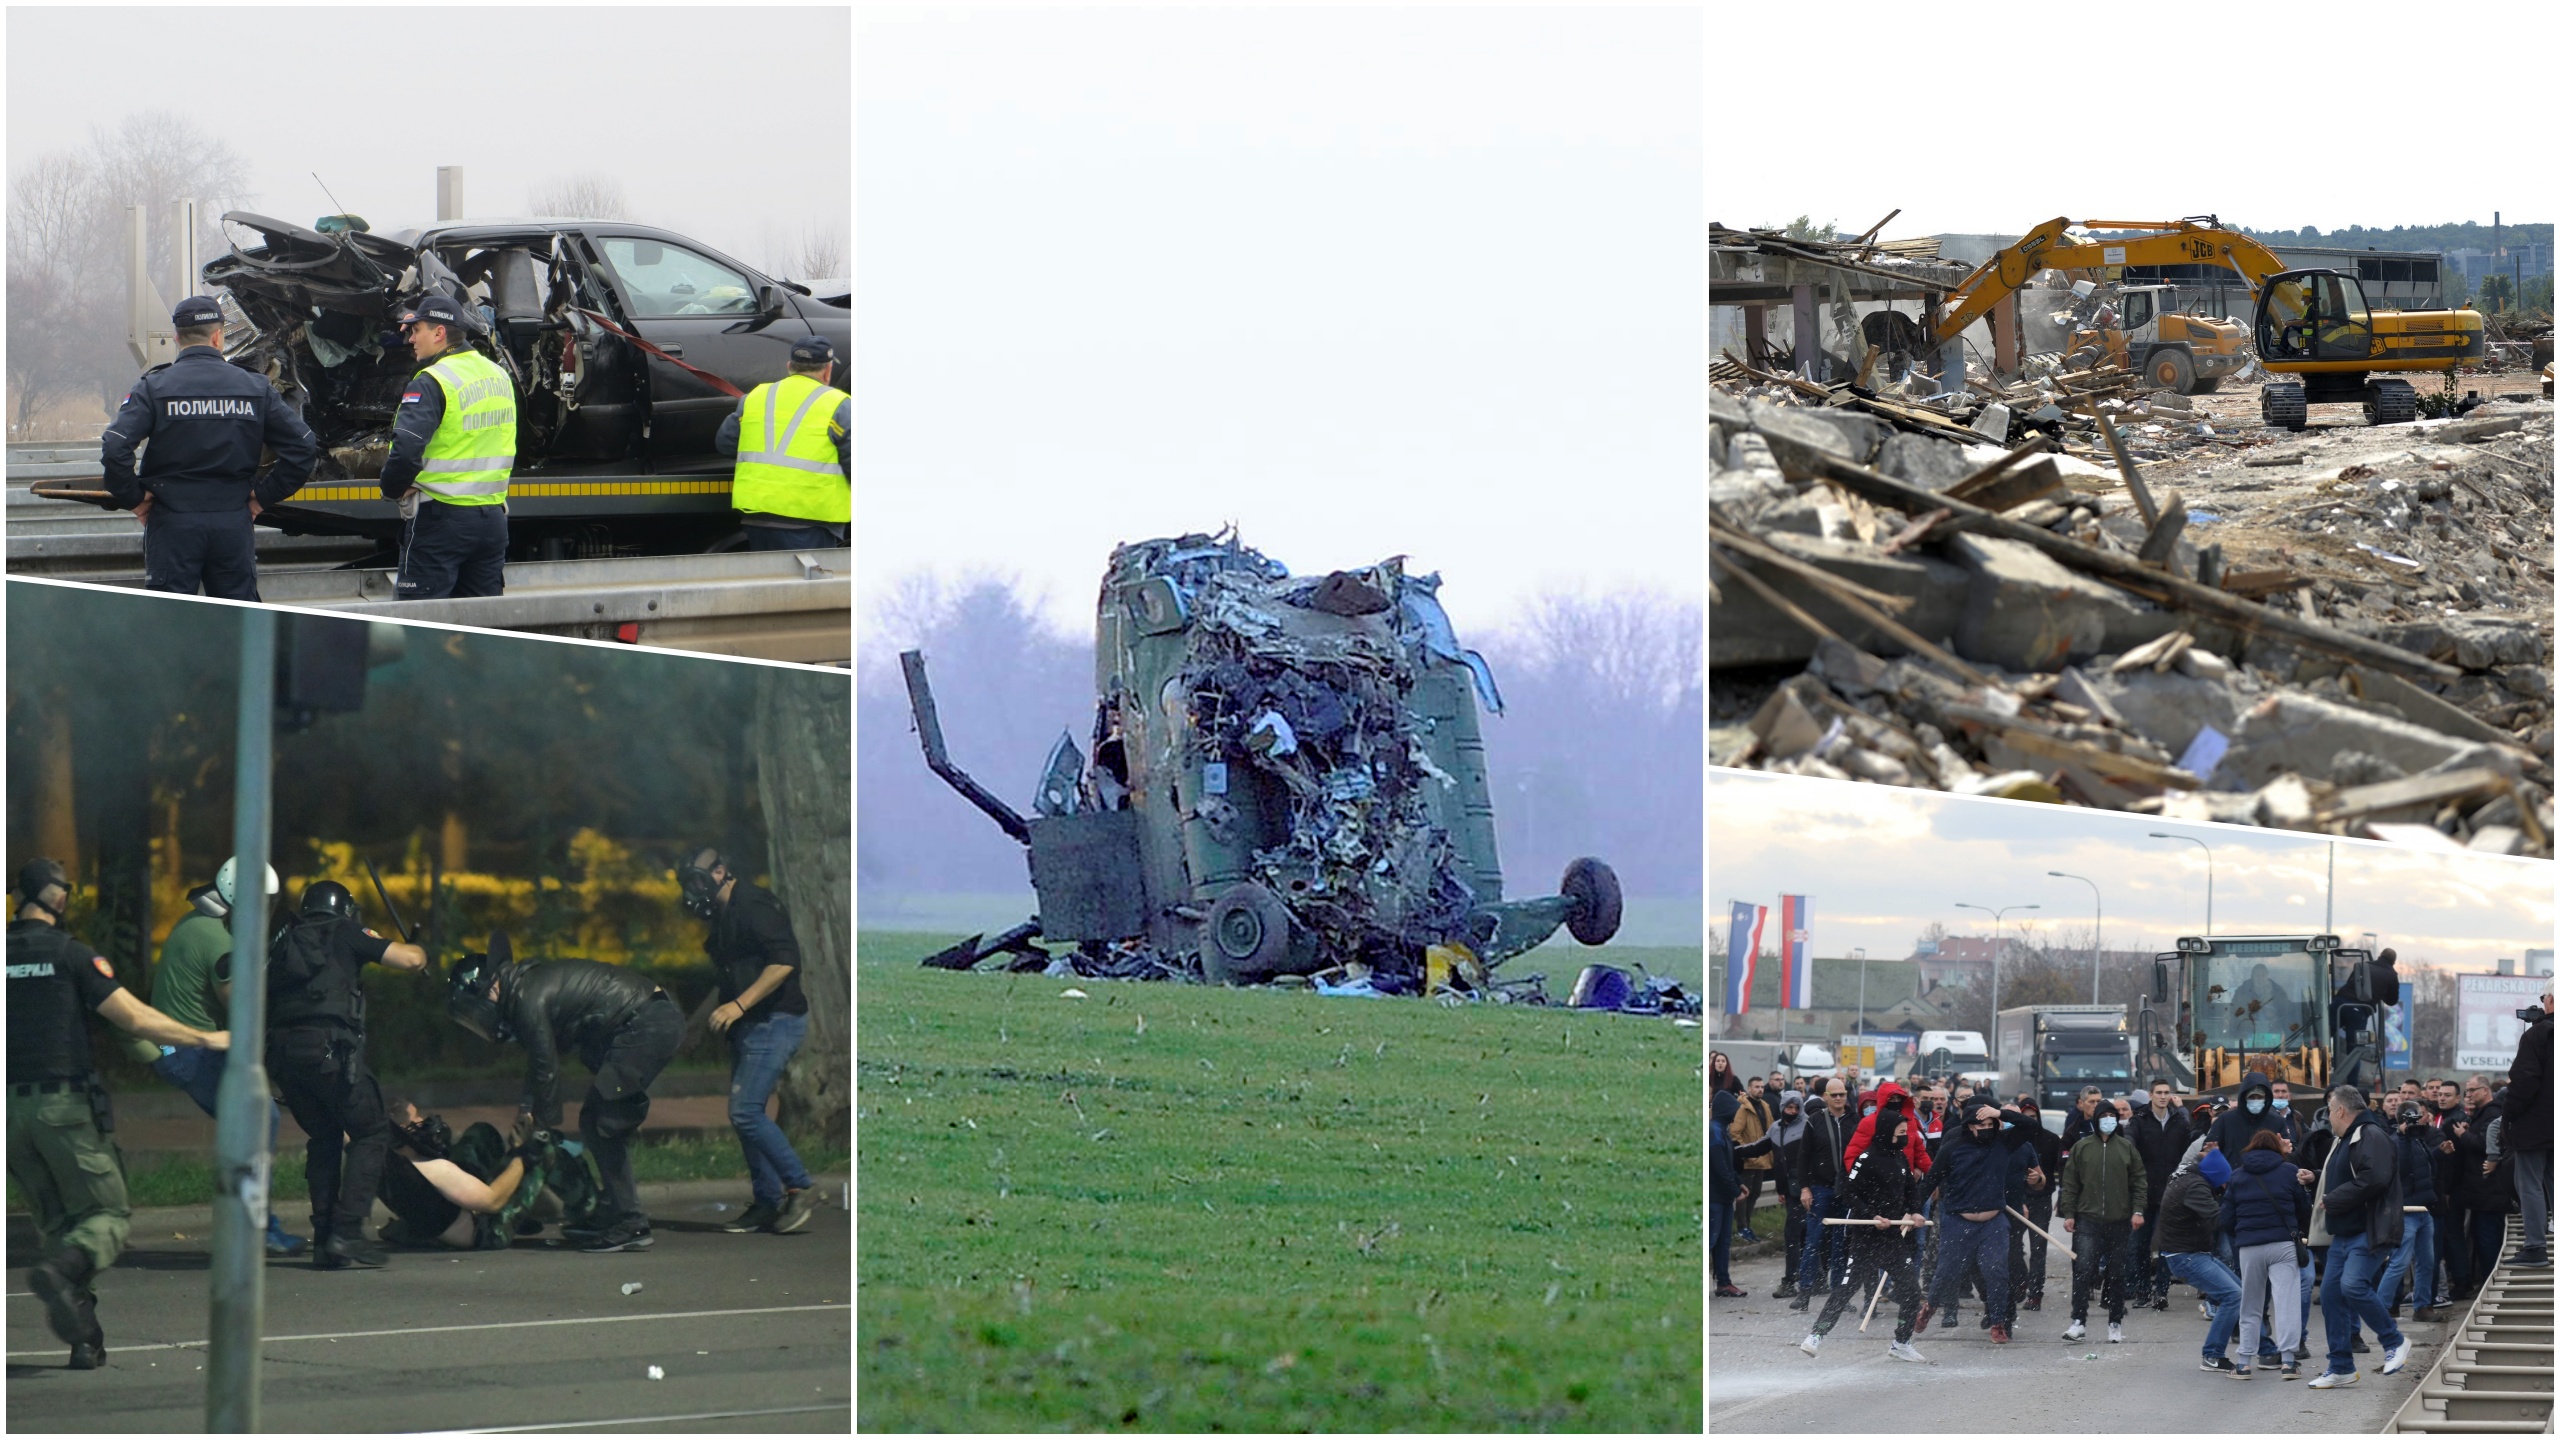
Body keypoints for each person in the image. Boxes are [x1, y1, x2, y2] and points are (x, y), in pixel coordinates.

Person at [8, 859, 230, 1369]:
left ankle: (85, 1339)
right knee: (106, 1217)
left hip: (9, 1120)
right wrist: (204, 1037)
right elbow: (133, 1017)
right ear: (58, 898)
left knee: (61, 1225)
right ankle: (62, 1276)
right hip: (62, 1110)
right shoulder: (70, 954)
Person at [446, 937, 687, 1254]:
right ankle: (615, 1211)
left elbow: (546, 1067)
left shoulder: (526, 999)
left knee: (601, 1124)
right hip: (643, 1022)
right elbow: (541, 1060)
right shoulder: (524, 988)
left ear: (490, 989)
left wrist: (540, 1129)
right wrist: (527, 1111)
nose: (480, 1019)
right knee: (600, 1121)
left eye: (475, 1010)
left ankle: (630, 1222)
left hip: (646, 1025)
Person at [98, 295, 318, 600]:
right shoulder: (254, 387)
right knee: (236, 619)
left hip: (172, 522)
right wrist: (263, 496)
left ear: (177, 338)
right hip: (232, 520)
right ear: (217, 336)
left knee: (170, 618)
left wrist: (133, 498)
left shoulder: (154, 387)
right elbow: (304, 446)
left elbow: (115, 447)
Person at [147, 857, 307, 1256]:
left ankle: (244, 1221)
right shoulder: (220, 941)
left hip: (178, 1046)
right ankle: (254, 1228)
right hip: (187, 1052)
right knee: (260, 1119)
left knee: (250, 1122)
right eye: (263, 903)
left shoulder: (199, 922)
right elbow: (242, 1008)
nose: (266, 912)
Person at [266, 880, 429, 1268]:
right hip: (328, 1053)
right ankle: (347, 1231)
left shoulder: (284, 941)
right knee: (371, 1131)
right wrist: (419, 949)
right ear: (345, 910)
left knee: (324, 1136)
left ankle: (324, 1240)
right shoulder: (345, 931)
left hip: (283, 1058)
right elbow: (409, 960)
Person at [680, 848, 823, 1236]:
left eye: (697, 881)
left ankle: (801, 1187)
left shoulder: (754, 905)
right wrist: (695, 1026)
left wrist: (739, 1005)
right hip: (750, 1024)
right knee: (749, 1114)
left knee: (745, 1111)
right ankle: (766, 1201)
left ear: (720, 872)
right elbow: (727, 980)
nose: (692, 892)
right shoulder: (723, 917)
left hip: (776, 1021)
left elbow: (784, 962)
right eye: (687, 884)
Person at [382, 293, 513, 600]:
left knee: (419, 621)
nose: (411, 339)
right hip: (492, 521)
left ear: (439, 333)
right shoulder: (499, 375)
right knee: (481, 622)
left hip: (441, 521)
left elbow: (406, 448)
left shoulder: (432, 380)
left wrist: (392, 489)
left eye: (417, 330)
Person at [1798, 1107, 1930, 1363]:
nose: (1905, 1137)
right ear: (1887, 1132)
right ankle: (1816, 1334)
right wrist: (1872, 1216)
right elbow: (1848, 1193)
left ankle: (1901, 1343)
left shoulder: (1901, 1159)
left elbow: (1911, 1191)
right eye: (1901, 1132)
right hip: (1866, 1239)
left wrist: (1914, 1212)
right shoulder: (1866, 1158)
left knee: (1912, 1291)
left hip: (1893, 1239)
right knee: (1846, 1288)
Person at [2309, 1085, 2411, 1388]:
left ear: (2341, 1110)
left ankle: (2394, 1341)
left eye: (2330, 1110)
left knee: (2353, 1285)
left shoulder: (2370, 1134)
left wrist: (2335, 1199)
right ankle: (2341, 1367)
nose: (2328, 1117)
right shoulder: (2347, 1139)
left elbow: (2375, 1177)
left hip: (2369, 1229)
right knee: (2331, 1295)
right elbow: (2346, 1176)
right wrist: (2317, 1179)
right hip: (2344, 1233)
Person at [714, 334, 849, 551]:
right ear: (827, 370)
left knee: (770, 573)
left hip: (757, 515)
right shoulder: (838, 404)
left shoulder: (756, 397)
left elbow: (726, 444)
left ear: (789, 366)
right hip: (810, 516)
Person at [1911, 1097, 2019, 1344]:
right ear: (1970, 1126)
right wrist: (1914, 1210)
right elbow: (1930, 1181)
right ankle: (1929, 1307)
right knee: (1947, 1271)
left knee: (1996, 1270)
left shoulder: (2003, 1144)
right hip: (1958, 1220)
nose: (1987, 1129)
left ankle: (1998, 1322)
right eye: (1982, 1125)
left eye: (1991, 1125)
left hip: (1993, 1221)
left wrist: (2001, 1113)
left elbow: (2030, 1127)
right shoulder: (1952, 1148)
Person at [375, 1101, 536, 1249]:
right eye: (417, 1117)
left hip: (433, 1221)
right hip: (486, 1232)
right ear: (404, 1130)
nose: (422, 1120)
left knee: (481, 1132)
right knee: (540, 1148)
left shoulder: (385, 1168)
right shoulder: (434, 1169)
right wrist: (520, 1152)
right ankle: (524, 1214)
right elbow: (493, 1202)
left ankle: (411, 1231)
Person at [2224, 1128, 2313, 1379]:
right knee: (2286, 1303)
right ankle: (2288, 1363)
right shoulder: (2289, 1172)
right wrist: (2298, 1231)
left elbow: (2226, 1217)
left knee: (2251, 1304)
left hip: (2249, 1247)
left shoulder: (2237, 1176)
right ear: (2276, 1148)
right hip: (2283, 1245)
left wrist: (2242, 1236)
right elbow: (2303, 1208)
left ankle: (2243, 1363)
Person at [2058, 1096, 2146, 1343]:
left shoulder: (2127, 1148)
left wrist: (2138, 1210)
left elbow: (2139, 1181)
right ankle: (2078, 1321)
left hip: (2119, 1220)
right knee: (2083, 1270)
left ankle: (2115, 1322)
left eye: (2112, 1117)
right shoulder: (2082, 1147)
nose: (2108, 1120)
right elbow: (2070, 1183)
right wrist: (2069, 1213)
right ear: (2096, 1120)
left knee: (2117, 1273)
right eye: (2104, 1117)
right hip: (2087, 1220)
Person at [2155, 1136, 2243, 1371]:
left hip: (2191, 1252)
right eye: (2222, 1184)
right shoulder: (2196, 1187)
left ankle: (2262, 1346)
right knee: (2234, 1296)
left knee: (2240, 1292)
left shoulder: (2187, 1175)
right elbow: (2219, 1220)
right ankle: (2212, 1355)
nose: (2223, 1189)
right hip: (2186, 1256)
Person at [2130, 1078, 2194, 1308]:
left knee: (2166, 1245)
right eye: (2159, 1092)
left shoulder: (2179, 1121)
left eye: (2167, 1092)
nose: (2163, 1096)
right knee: (2139, 1244)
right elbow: (2129, 1144)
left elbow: (2188, 1153)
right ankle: (2143, 1290)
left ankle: (2162, 1292)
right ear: (2151, 1095)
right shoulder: (2139, 1120)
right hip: (2144, 1192)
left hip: (2170, 1192)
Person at [2381, 1100, 2445, 1320]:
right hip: (2406, 1211)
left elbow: (2426, 1167)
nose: (2422, 1120)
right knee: (2399, 1262)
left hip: (2423, 1210)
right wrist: (2403, 1136)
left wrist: (2438, 1152)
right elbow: (2401, 1167)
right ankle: (2381, 1307)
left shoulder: (2418, 1140)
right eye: (2417, 1117)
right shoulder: (2395, 1142)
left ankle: (2423, 1307)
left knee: (2427, 1262)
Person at [1793, 1077, 1854, 1305]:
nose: (1838, 1098)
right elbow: (1803, 1157)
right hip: (1820, 1188)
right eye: (1834, 1095)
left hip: (1847, 1190)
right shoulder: (1815, 1120)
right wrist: (1805, 1188)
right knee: (1813, 1241)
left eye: (1842, 1094)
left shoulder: (1854, 1120)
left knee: (1841, 1244)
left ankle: (1838, 1295)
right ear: (1826, 1096)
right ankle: (1805, 1291)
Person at [2504, 988, 2551, 1269]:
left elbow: (2524, 1081)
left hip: (2535, 1127)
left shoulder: (2538, 1035)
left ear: (2551, 999)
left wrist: (2509, 1114)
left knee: (2530, 1185)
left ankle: (2535, 1247)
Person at [2452, 1073, 2514, 1283]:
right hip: (2482, 1193)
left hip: (2490, 1193)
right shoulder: (2483, 1113)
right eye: (2467, 1090)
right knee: (2482, 1243)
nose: (2468, 1094)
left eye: (2472, 1090)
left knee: (2490, 1243)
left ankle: (2494, 1284)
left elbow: (2484, 1145)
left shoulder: (2493, 1113)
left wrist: (2463, 1136)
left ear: (2485, 1090)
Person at [2009, 1096, 2063, 1311]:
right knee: (2012, 1247)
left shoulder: (2050, 1139)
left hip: (2041, 1200)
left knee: (2038, 1248)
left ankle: (2035, 1293)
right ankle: (2021, 1279)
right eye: (2026, 1117)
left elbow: (2060, 1169)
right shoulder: (2012, 1140)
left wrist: (2061, 1194)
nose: (2030, 1121)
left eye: (2033, 1117)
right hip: (2015, 1199)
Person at [1769, 1087, 1810, 1298]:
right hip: (1789, 1189)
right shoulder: (1776, 1128)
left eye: (1796, 1107)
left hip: (1803, 1189)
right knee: (1802, 1235)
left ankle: (1791, 1280)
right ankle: (1811, 1278)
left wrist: (1807, 1186)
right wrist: (1735, 1151)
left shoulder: (1807, 1125)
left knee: (1794, 1234)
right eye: (1789, 1107)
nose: (1792, 1111)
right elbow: (1761, 1146)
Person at [1710, 1089, 1747, 1297]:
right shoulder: (1714, 1132)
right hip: (1714, 1197)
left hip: (1722, 1196)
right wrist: (1734, 1189)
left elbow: (1727, 1165)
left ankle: (1724, 1283)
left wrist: (1738, 1183)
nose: (1736, 1114)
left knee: (1722, 1242)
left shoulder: (1720, 1130)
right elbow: (1719, 1167)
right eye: (1734, 1110)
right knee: (1711, 1241)